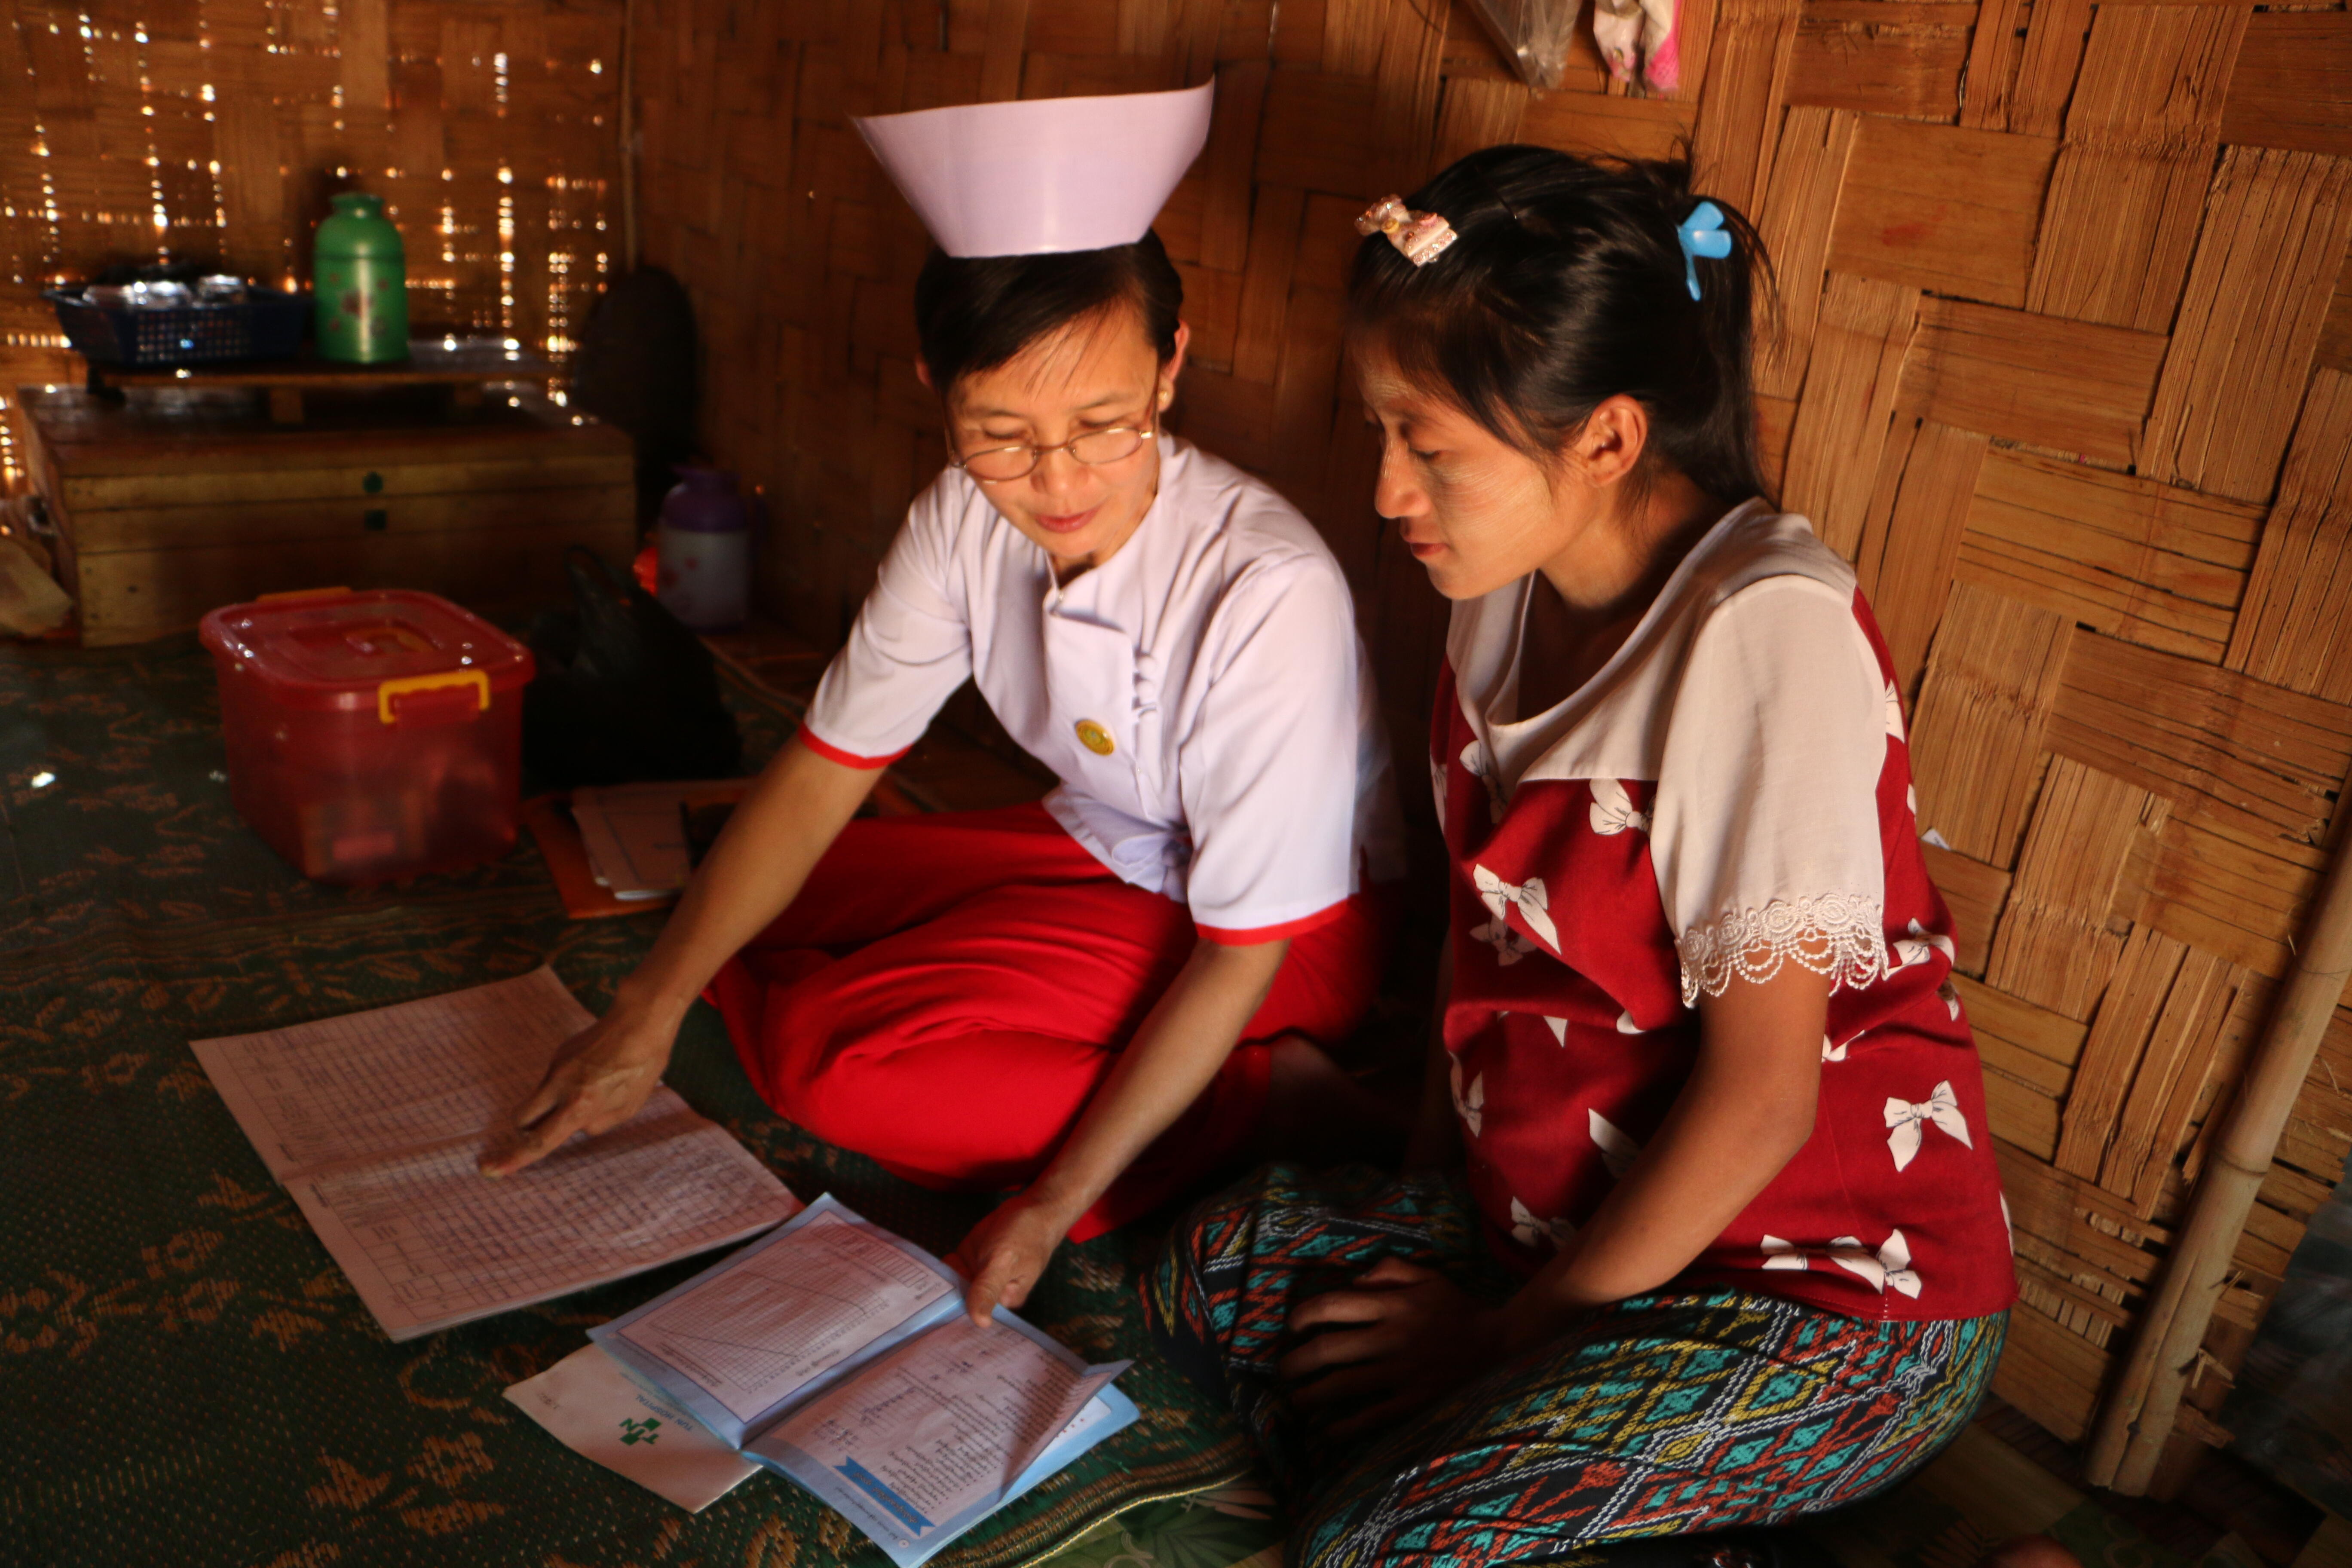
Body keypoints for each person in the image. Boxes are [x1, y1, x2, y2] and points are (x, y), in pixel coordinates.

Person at [1143, 147, 2018, 1565]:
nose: (1386, 491)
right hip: (1556, 1227)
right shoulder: (1499, 593)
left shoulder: (1759, 633)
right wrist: (1427, 1210)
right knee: (1212, 1276)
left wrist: (1493, 1343)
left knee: (1377, 1543)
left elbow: (1760, 1107)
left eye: (1430, 447)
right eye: (1381, 431)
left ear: (1607, 438)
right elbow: (1476, 943)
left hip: (1818, 1290)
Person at [485, 84, 1404, 1327]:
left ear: (1173, 366)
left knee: (830, 1062)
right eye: (1001, 433)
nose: (1059, 480)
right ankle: (991, 1035)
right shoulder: (962, 517)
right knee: (742, 898)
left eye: (1103, 423)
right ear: (939, 385)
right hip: (1105, 841)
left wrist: (1056, 1198)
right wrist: (643, 1010)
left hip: (1282, 934)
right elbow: (824, 768)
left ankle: (1263, 1101)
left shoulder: (1264, 583)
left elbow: (1247, 946)